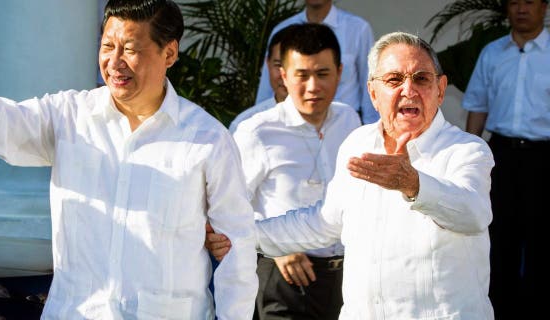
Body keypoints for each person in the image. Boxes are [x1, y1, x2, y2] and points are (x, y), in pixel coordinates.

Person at [0, 0, 258, 318]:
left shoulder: (206, 139)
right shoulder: (69, 116)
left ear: (169, 53)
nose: (115, 61)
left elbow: (236, 251)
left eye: (130, 49)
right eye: (107, 46)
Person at [209, 31, 495, 319]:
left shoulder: (468, 150)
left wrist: (414, 184)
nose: (409, 90)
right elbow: (323, 222)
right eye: (394, 80)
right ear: (372, 92)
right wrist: (243, 234)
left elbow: (473, 213)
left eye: (421, 79)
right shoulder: (358, 142)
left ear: (441, 89)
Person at [233, 23, 360, 319]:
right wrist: (276, 247)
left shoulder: (349, 121)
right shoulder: (256, 131)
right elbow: (228, 209)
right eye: (302, 75)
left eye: (323, 74)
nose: (313, 86)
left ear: (340, 73)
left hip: (345, 278)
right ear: (283, 76)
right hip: (285, 279)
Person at [462, 1, 548, 318]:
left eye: (529, 2)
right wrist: (470, 155)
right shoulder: (492, 53)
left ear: (544, 8)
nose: (521, 9)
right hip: (501, 155)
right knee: (498, 235)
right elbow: (477, 104)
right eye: (515, 2)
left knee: (540, 235)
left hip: (543, 157)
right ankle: (499, 307)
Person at [255, 0, 378, 124]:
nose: (313, 86)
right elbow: (267, 87)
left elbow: (369, 83)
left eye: (323, 73)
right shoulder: (282, 30)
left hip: (345, 125)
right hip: (292, 126)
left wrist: (372, 130)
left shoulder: (358, 29)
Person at [228, 26, 291, 133]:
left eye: (293, 67)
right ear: (268, 63)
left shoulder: (327, 121)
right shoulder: (246, 124)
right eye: (278, 65)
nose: (284, 75)